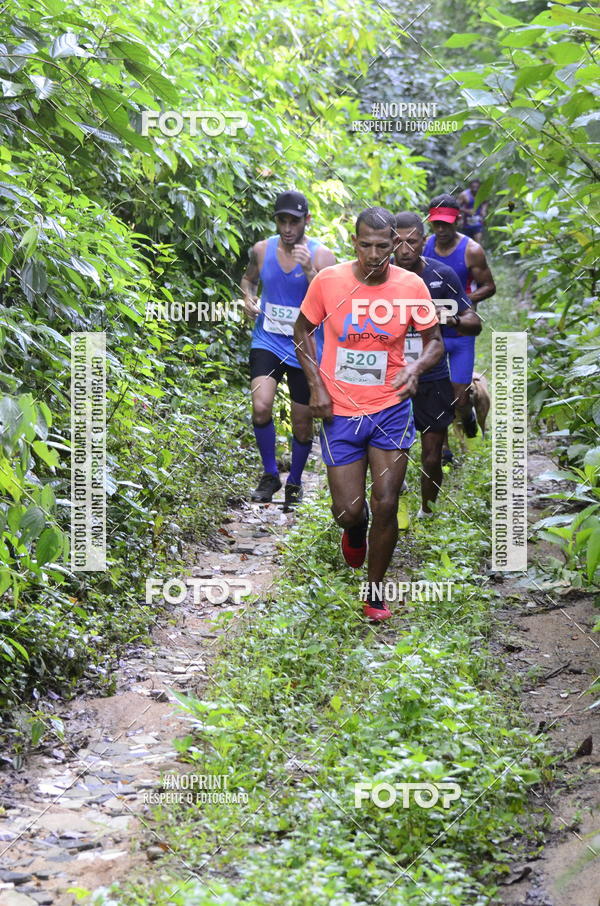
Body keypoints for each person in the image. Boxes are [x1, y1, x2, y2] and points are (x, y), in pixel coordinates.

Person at [294, 207, 444, 621]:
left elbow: (435, 341)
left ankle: (375, 592)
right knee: (349, 510)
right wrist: (316, 386)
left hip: (390, 408)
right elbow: (302, 330)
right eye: (366, 245)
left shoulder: (411, 285)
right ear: (354, 242)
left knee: (387, 503)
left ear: (395, 243)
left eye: (383, 245)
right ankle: (353, 531)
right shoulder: (329, 281)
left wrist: (414, 368)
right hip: (340, 410)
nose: (374, 254)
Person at [241, 190, 336, 511]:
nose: (287, 228)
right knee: (261, 406)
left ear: (306, 221)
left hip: (305, 344)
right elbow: (249, 280)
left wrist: (310, 270)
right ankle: (270, 475)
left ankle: (294, 481)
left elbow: (332, 303)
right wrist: (248, 298)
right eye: (282, 220)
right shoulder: (261, 249)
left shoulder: (322, 256)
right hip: (267, 339)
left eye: (294, 221)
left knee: (301, 421)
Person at [394, 212, 482, 515]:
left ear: (423, 242)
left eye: (412, 242)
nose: (404, 249)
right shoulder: (377, 276)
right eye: (398, 241)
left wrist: (451, 317)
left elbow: (473, 322)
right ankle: (394, 495)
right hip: (390, 377)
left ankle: (428, 511)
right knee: (392, 451)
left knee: (432, 455)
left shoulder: (442, 274)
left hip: (433, 373)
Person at [423, 194, 495, 458]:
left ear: (458, 221)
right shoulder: (423, 248)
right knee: (436, 392)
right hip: (433, 332)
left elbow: (489, 286)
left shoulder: (471, 250)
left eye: (447, 224)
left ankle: (469, 418)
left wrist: (460, 302)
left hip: (462, 329)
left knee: (460, 397)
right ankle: (444, 449)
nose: (441, 229)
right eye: (437, 224)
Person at [458, 178, 488, 243]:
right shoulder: (464, 195)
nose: (475, 189)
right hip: (466, 224)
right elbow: (456, 207)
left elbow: (485, 203)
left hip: (478, 223)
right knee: (467, 244)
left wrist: (483, 210)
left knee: (478, 243)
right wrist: (466, 211)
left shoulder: (482, 194)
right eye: (473, 187)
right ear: (470, 187)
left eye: (477, 188)